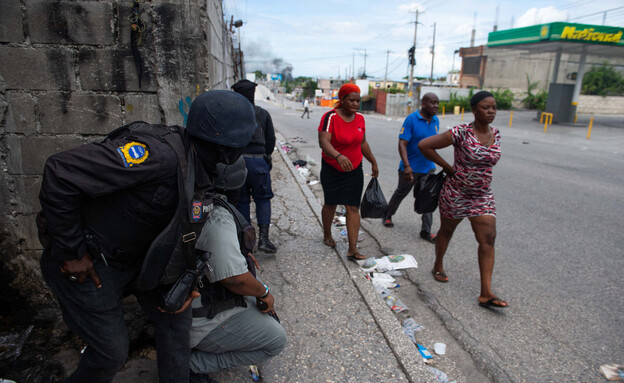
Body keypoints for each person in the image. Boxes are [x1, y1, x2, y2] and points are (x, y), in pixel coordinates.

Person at [38, 90, 258, 382]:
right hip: (92, 264)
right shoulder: (158, 157)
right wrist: (72, 252)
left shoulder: (201, 171)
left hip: (139, 265)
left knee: (177, 318)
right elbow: (61, 171)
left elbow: (182, 232)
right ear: (226, 150)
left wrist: (187, 281)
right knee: (110, 353)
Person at [188, 157, 286, 383]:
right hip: (199, 317)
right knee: (276, 339)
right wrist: (264, 292)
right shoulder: (217, 216)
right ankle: (191, 365)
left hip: (191, 304)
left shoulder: (195, 201)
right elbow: (236, 279)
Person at [418, 91, 508, 309]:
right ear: (475, 110)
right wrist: (449, 169)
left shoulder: (496, 133)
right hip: (456, 193)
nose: (491, 112)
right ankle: (438, 264)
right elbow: (425, 145)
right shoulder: (461, 132)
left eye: (494, 108)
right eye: (486, 108)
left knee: (488, 239)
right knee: (446, 232)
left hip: (482, 195)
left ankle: (486, 292)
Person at [318, 83, 379, 261]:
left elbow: (363, 143)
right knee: (331, 203)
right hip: (332, 167)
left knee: (353, 207)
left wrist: (373, 162)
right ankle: (327, 233)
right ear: (342, 100)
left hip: (354, 168)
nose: (355, 104)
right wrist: (338, 156)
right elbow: (324, 141)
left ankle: (353, 249)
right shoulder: (330, 117)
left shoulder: (360, 119)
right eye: (351, 100)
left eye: (358, 101)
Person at [383, 93, 440, 244]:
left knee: (428, 198)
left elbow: (433, 144)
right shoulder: (411, 119)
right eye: (432, 103)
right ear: (423, 104)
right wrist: (407, 166)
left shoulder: (435, 120)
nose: (436, 106)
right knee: (401, 192)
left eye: (437, 103)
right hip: (410, 168)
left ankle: (426, 231)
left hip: (428, 168)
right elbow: (402, 143)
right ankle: (388, 214)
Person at [231, 79, 278, 254]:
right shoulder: (262, 114)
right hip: (259, 162)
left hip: (237, 162)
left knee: (241, 200)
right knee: (263, 198)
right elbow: (271, 140)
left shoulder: (231, 114)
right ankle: (264, 239)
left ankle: (246, 242)